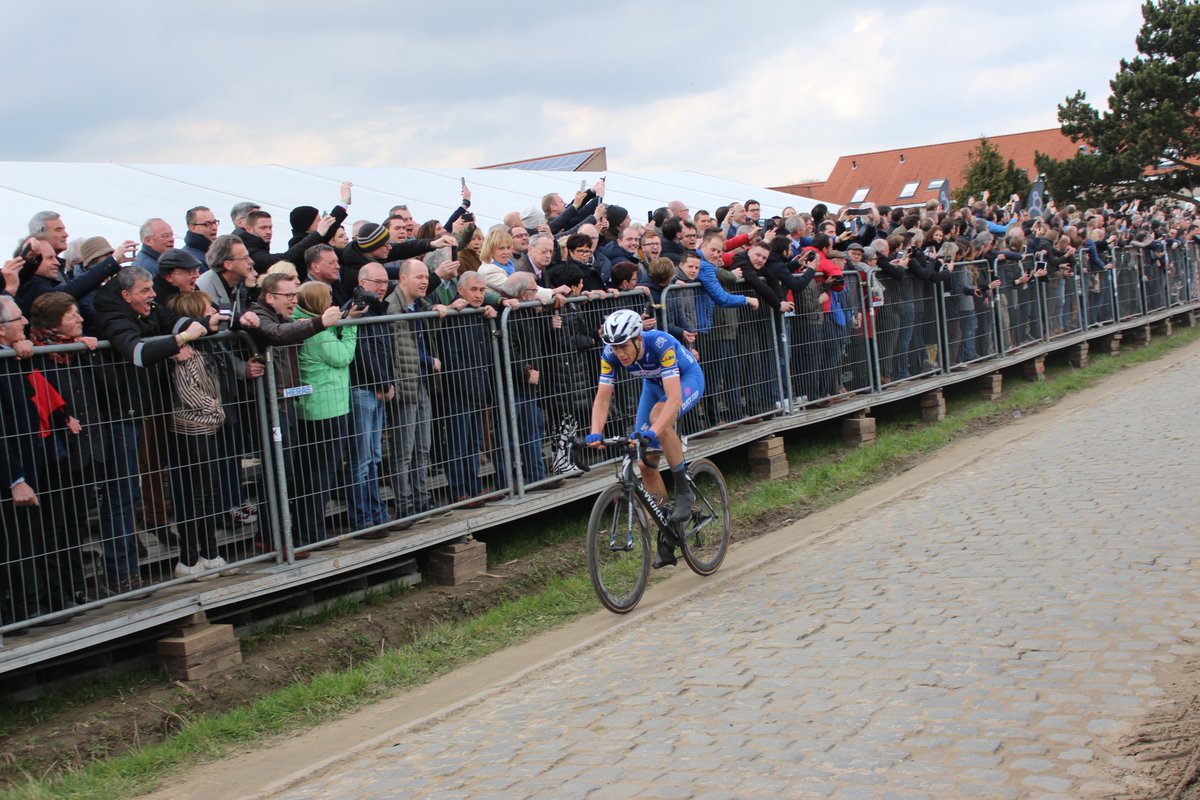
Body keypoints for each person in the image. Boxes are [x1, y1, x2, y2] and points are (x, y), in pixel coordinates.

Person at [586, 309, 705, 568]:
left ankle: (683, 489)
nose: (619, 353)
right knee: (645, 464)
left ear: (638, 339)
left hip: (687, 380)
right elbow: (603, 396)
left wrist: (654, 430)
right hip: (652, 387)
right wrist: (596, 430)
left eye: (624, 346)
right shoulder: (609, 354)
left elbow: (673, 399)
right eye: (614, 348)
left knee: (658, 418)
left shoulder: (662, 344)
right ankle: (669, 528)